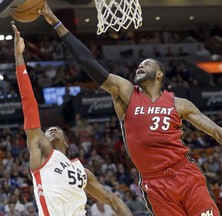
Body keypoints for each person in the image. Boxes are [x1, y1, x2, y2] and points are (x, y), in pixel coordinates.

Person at [38, 3, 222, 215]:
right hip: (155, 184)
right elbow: (88, 62)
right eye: (139, 64)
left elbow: (216, 131)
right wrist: (56, 23)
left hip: (185, 173)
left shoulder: (179, 104)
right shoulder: (126, 93)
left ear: (159, 74)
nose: (140, 66)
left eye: (147, 64)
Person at [12, 25, 132, 216]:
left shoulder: (81, 170)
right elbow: (29, 102)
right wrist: (19, 57)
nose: (50, 130)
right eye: (48, 130)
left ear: (67, 143)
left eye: (55, 129)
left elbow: (112, 199)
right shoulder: (42, 150)